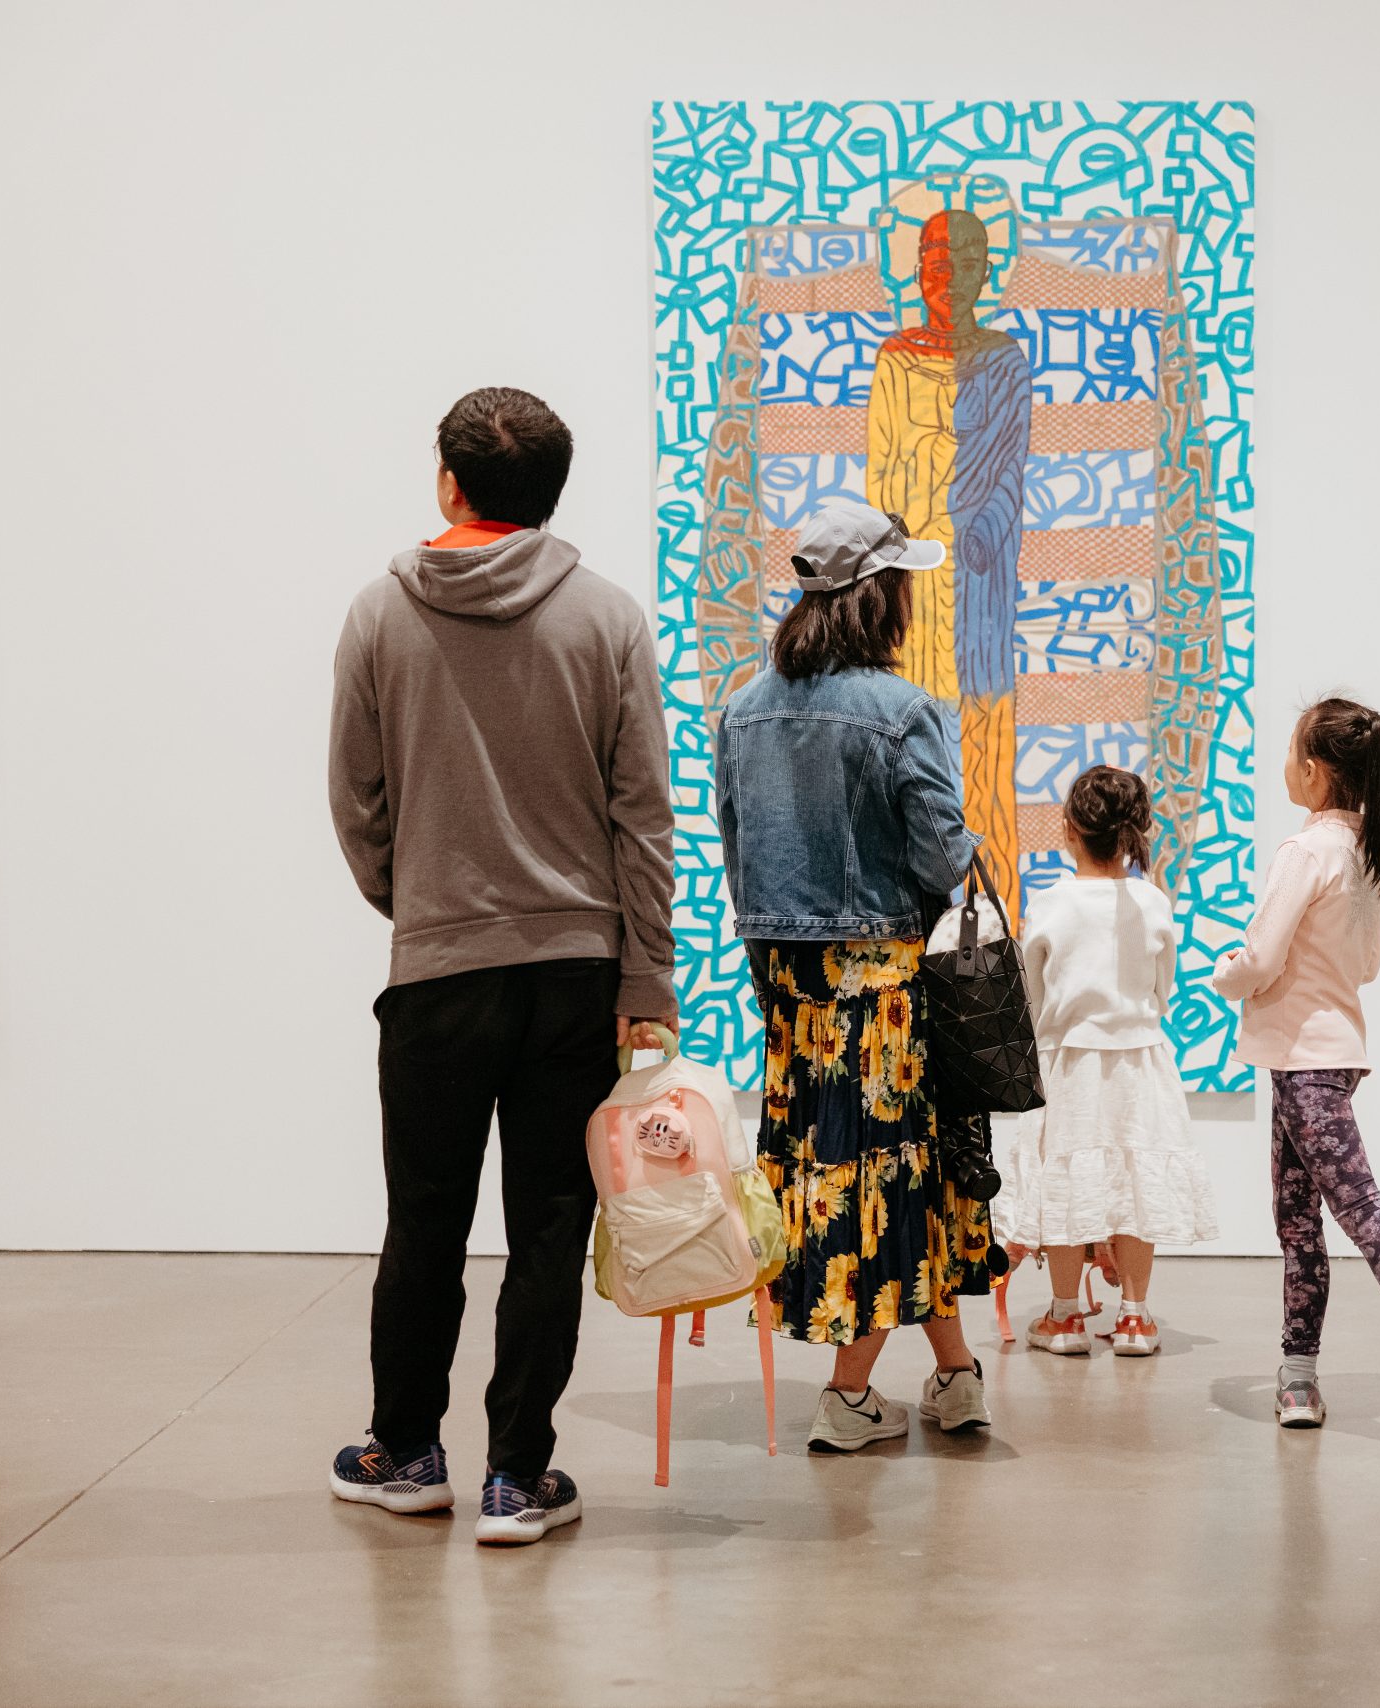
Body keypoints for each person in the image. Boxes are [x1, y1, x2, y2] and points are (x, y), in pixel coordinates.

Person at [326, 387, 676, 1545]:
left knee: (422, 1220)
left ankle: (406, 1450)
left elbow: (357, 802)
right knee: (548, 1229)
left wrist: (418, 901)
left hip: (434, 972)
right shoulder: (610, 619)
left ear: (449, 480)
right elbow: (644, 820)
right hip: (576, 973)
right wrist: (646, 981)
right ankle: (517, 1478)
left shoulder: (379, 615)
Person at [713, 500, 1001, 1453]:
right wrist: (972, 847)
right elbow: (937, 858)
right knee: (887, 1183)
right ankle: (845, 1397)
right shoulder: (904, 710)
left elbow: (736, 851)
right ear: (882, 597)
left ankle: (956, 1377)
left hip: (790, 993)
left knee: (873, 1179)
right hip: (883, 988)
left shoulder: (742, 709)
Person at [1210, 698, 1380, 1452]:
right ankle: (1297, 1375)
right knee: (1299, 1222)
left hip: (1303, 1062)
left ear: (1314, 769)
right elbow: (1366, 965)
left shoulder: (1305, 852)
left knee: (1354, 1214)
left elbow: (1261, 959)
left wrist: (1226, 975)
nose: (1283, 766)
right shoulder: (1365, 851)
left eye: (1290, 752)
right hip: (1323, 1055)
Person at [995, 766, 1218, 1357]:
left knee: (1068, 1181)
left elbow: (1031, 995)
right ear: (1133, 831)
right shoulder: (1152, 902)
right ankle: (1136, 1319)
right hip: (1140, 1062)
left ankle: (1066, 1317)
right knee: (1133, 1183)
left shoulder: (1050, 904)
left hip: (1069, 1064)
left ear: (1069, 829)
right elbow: (1162, 990)